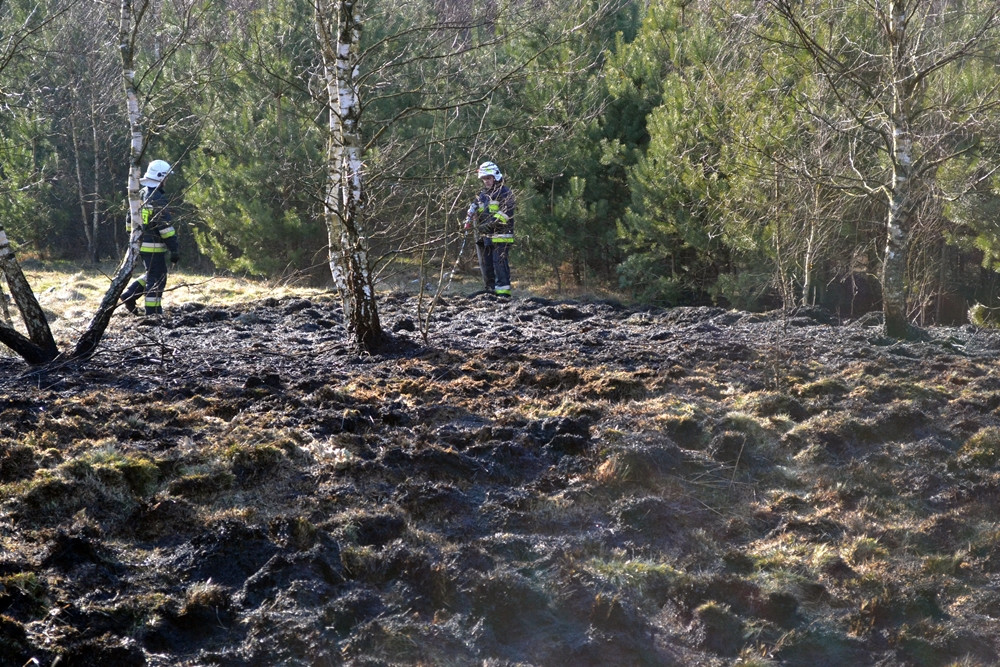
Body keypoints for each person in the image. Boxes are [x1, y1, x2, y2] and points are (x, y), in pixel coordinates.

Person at [120, 159, 179, 316]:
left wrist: (133, 238)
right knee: (157, 278)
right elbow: (165, 228)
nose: (167, 181)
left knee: (151, 273)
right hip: (155, 247)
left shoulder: (140, 195)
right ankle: (153, 313)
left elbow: (129, 219)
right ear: (161, 178)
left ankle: (129, 295)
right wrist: (174, 248)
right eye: (166, 178)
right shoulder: (157, 198)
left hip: (140, 244)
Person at [464, 161, 515, 297]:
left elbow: (506, 213)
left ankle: (503, 294)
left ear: (496, 176)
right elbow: (476, 206)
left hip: (501, 236)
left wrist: (490, 224)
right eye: (484, 179)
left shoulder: (505, 192)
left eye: (488, 178)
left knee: (499, 264)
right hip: (487, 236)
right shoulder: (483, 195)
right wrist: (470, 214)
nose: (486, 181)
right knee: (488, 266)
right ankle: (490, 292)